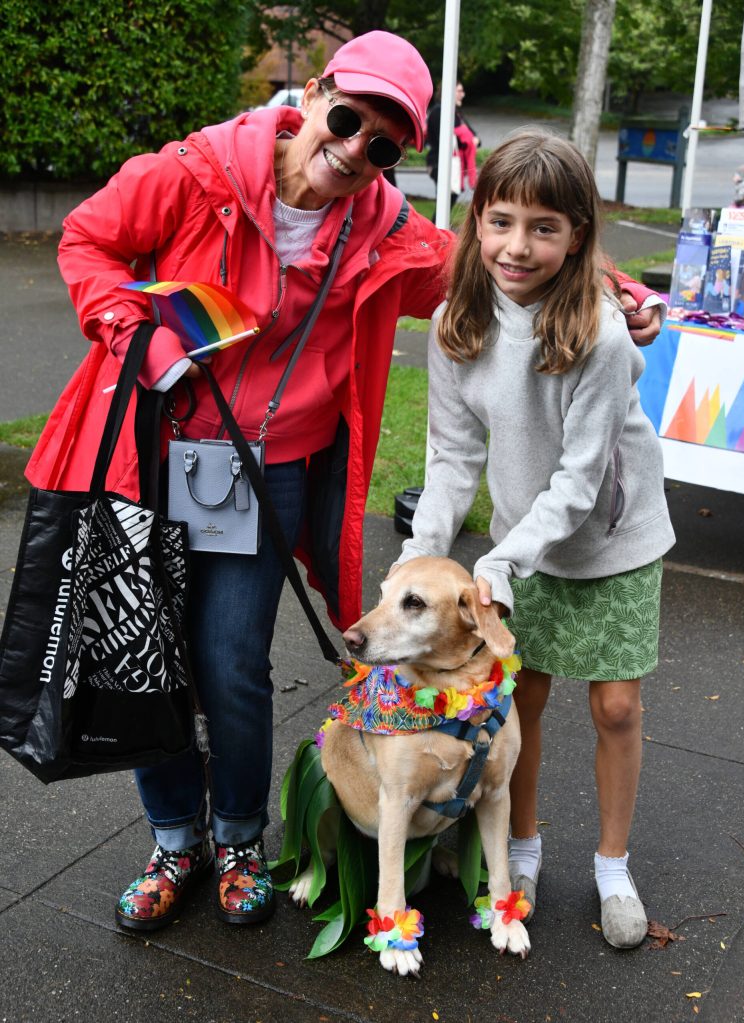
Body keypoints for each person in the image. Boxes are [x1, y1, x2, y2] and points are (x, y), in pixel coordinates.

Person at [26, 35, 662, 934]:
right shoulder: (196, 172)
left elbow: (491, 250)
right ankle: (176, 839)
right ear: (316, 90)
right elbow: (88, 239)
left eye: (383, 146)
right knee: (150, 661)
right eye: (348, 117)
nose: (355, 147)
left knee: (232, 663)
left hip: (269, 471)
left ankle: (239, 837)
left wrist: (622, 293)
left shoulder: (380, 227)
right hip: (153, 455)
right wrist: (134, 330)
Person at [393, 129, 675, 950]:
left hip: (611, 538)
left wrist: (499, 559)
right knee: (524, 699)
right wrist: (422, 557)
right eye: (502, 220)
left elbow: (582, 481)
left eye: (544, 226)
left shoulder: (601, 332)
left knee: (616, 705)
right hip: (520, 541)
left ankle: (612, 865)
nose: (518, 245)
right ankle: (519, 847)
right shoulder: (455, 323)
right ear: (475, 220)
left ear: (577, 235)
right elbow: (450, 459)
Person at [426, 82, 481, 208]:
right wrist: (468, 141)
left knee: (448, 202)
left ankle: (437, 227)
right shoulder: (439, 112)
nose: (463, 94)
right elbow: (445, 140)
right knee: (444, 205)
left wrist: (471, 140)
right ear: (449, 92)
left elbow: (473, 135)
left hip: (451, 164)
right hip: (440, 163)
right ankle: (437, 227)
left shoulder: (455, 113)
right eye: (459, 91)